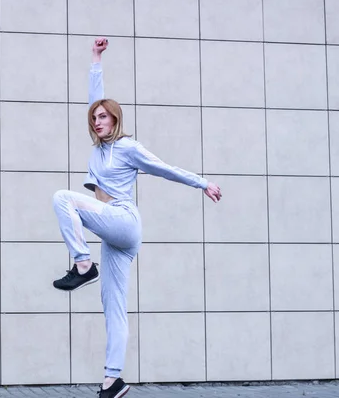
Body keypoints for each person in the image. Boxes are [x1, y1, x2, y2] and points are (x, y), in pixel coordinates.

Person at [51, 37, 222, 398]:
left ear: (115, 119)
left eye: (103, 117)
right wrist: (95, 60)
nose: (97, 121)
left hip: (124, 220)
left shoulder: (128, 147)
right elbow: (94, 98)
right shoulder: (98, 148)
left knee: (63, 198)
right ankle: (113, 381)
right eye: (94, 118)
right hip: (114, 237)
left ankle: (83, 264)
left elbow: (164, 168)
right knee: (113, 307)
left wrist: (202, 182)